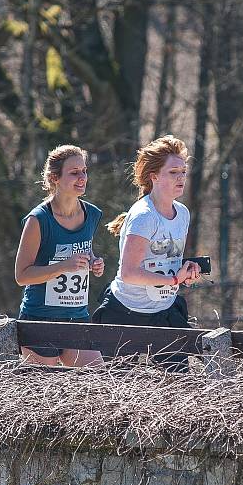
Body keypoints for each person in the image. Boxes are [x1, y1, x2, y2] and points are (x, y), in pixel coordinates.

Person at [92, 135, 201, 372]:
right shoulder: (144, 216)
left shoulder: (182, 213)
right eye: (173, 172)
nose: (181, 177)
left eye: (183, 171)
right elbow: (129, 273)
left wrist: (186, 270)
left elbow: (165, 259)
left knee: (178, 387)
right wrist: (173, 280)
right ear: (154, 176)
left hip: (164, 311)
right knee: (121, 391)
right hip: (126, 314)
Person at [14, 145, 105, 366]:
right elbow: (22, 276)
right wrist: (64, 266)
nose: (82, 177)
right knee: (41, 392)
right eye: (74, 173)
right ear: (55, 178)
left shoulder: (91, 214)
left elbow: (83, 250)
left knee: (99, 383)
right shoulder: (38, 220)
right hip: (40, 318)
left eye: (84, 171)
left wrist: (93, 262)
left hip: (77, 316)